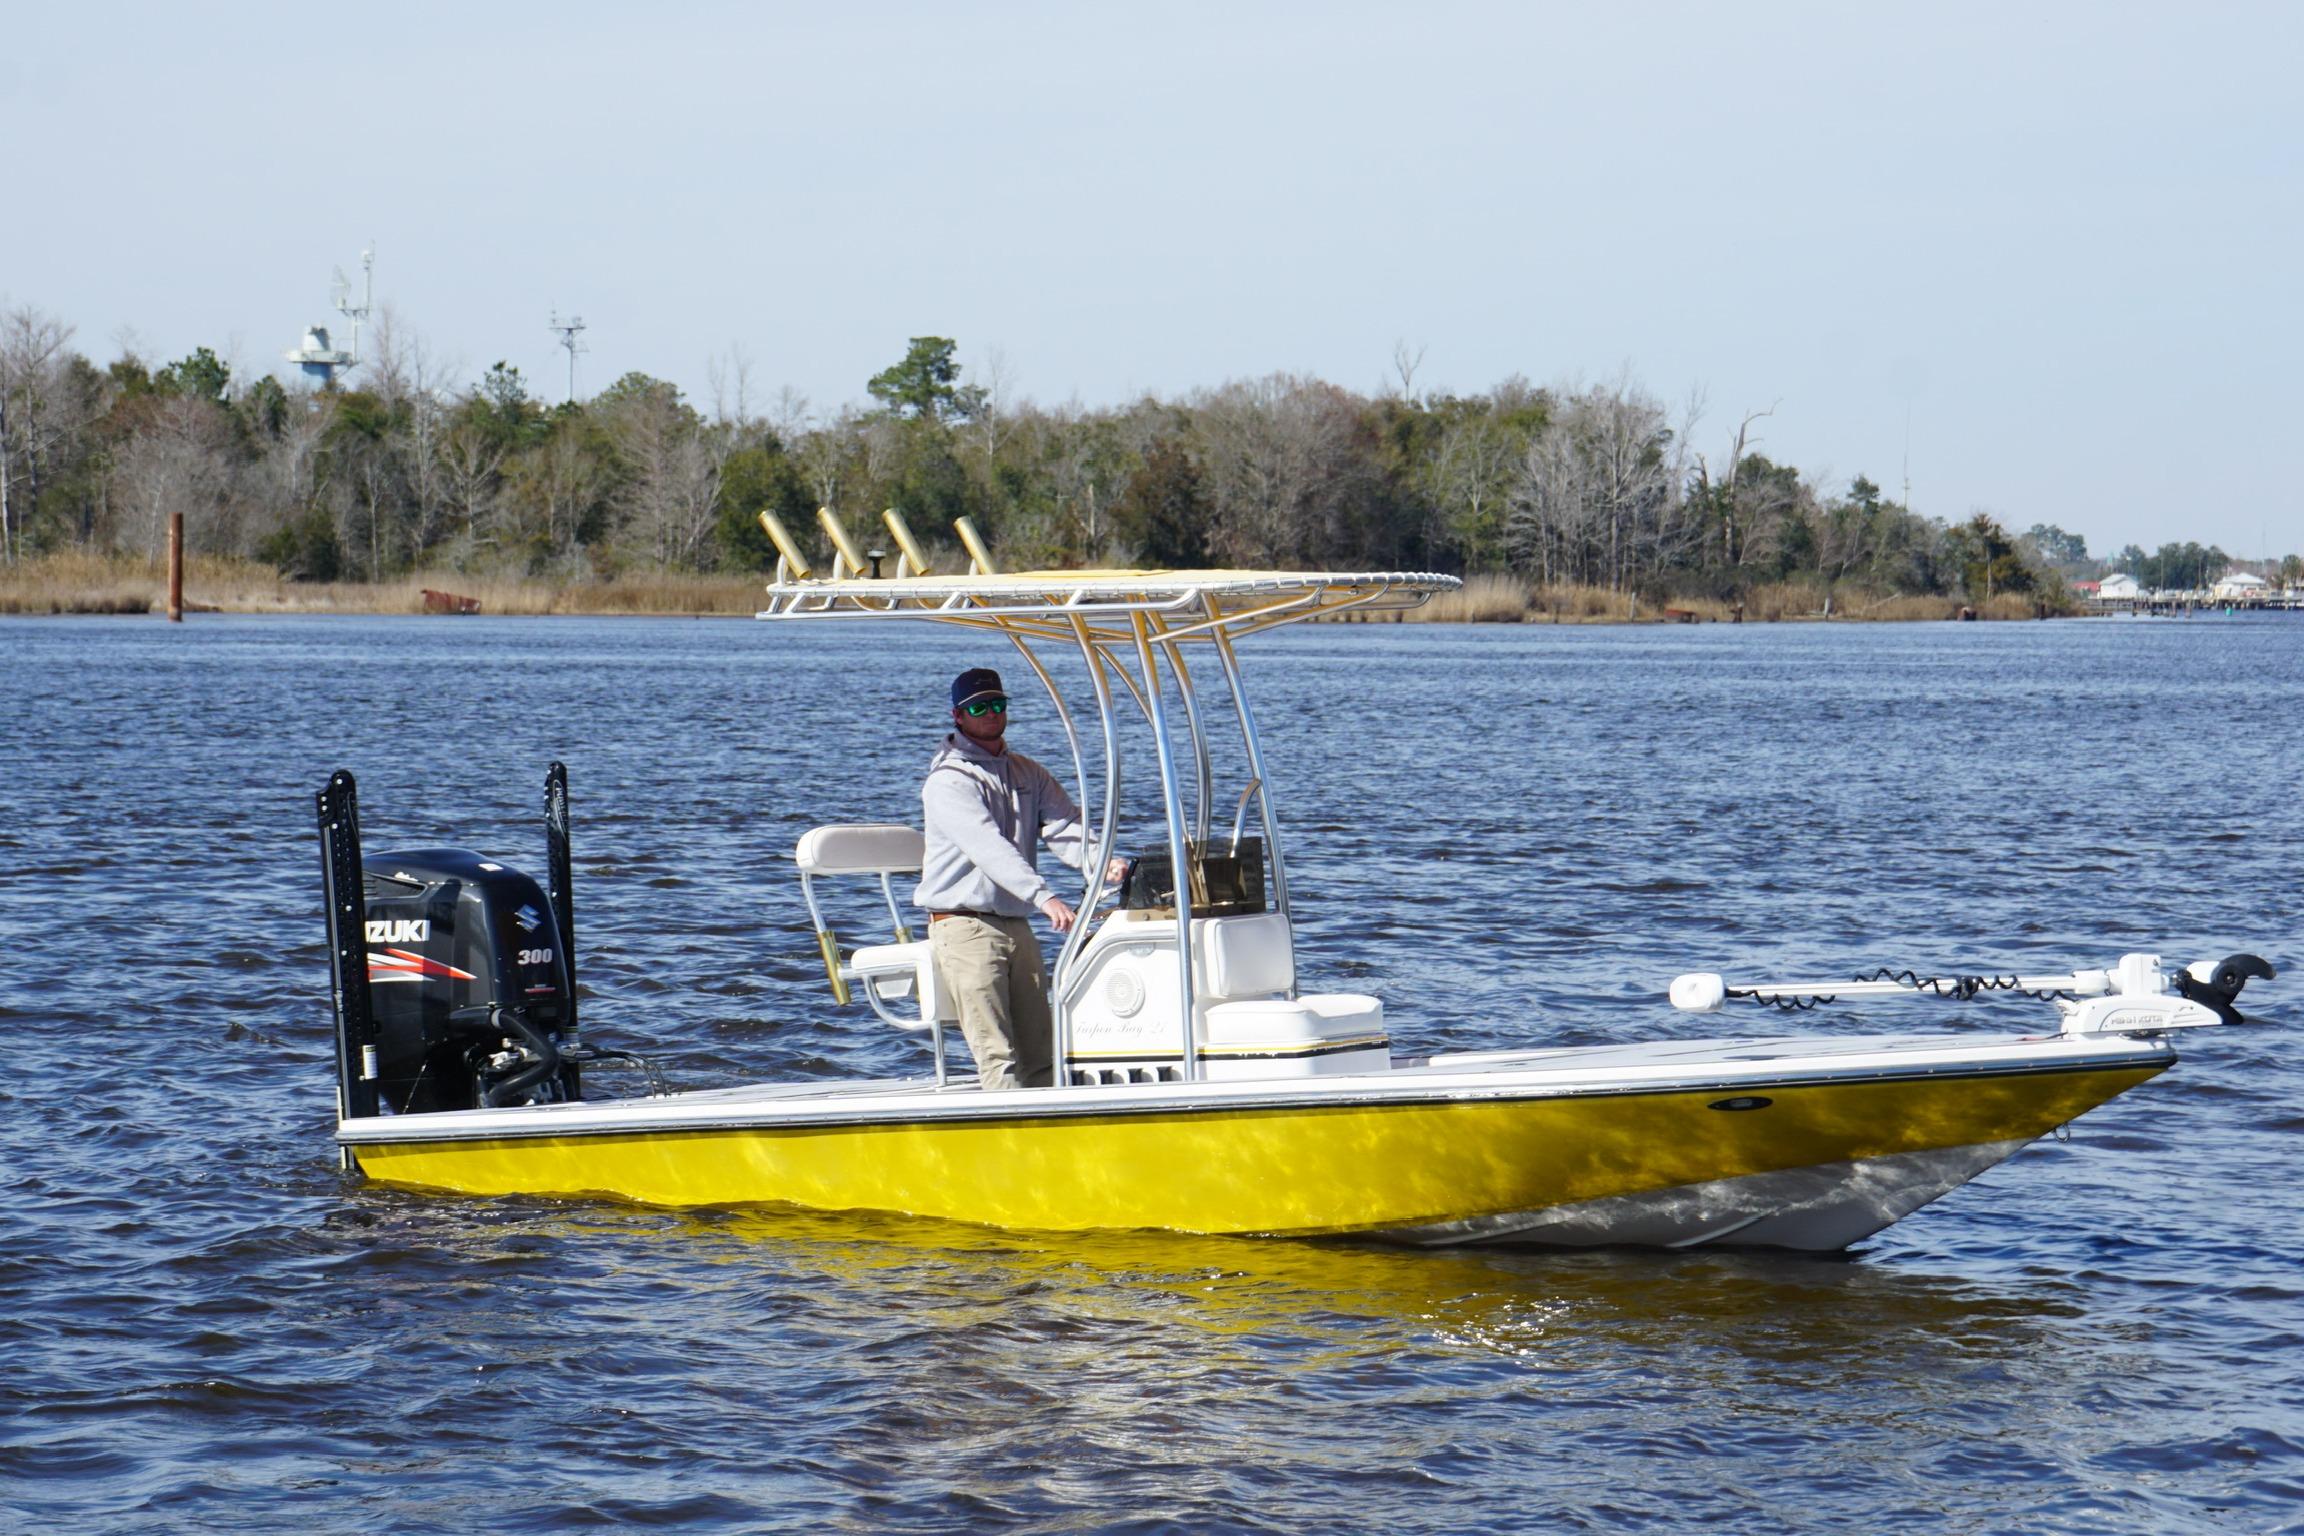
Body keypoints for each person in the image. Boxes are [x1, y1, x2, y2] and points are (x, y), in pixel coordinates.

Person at [916, 667, 1115, 1089]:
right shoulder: (948, 781)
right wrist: (1045, 898)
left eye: (997, 704)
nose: (990, 713)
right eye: (978, 707)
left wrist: (1104, 865)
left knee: (1042, 1055)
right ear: (958, 716)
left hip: (1015, 923)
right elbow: (990, 848)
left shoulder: (1027, 773)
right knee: (998, 1057)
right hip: (963, 925)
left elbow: (1067, 830)